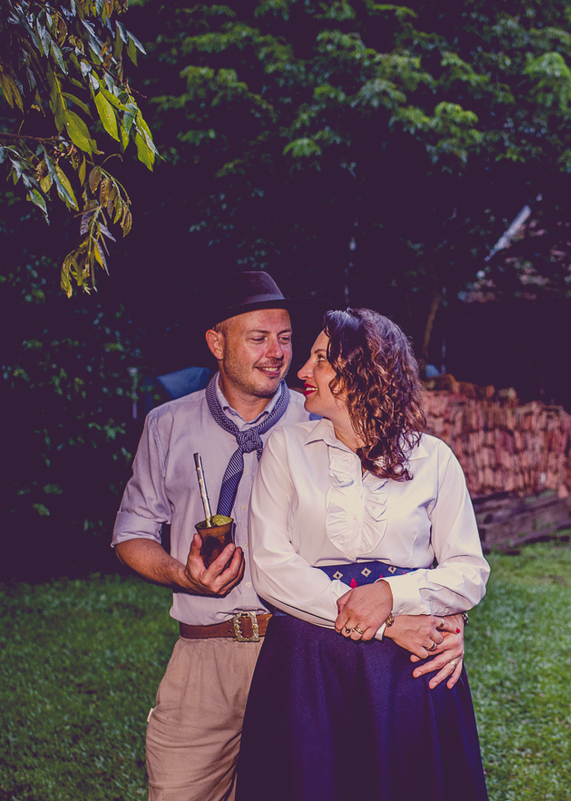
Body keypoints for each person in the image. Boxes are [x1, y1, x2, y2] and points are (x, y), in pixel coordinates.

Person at [112, 275, 466, 801]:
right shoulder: (167, 426)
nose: (278, 353)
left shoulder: (327, 414)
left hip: (311, 652)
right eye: (259, 338)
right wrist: (182, 574)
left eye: (286, 338)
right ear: (217, 343)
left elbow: (415, 544)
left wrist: (442, 617)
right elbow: (131, 534)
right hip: (208, 653)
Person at [238, 308, 490, 801]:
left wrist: (391, 593)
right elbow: (271, 567)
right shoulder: (286, 449)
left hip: (408, 671)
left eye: (320, 360)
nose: (302, 372)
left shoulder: (433, 458)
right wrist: (387, 620)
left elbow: (469, 572)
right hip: (308, 666)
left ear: (362, 371)